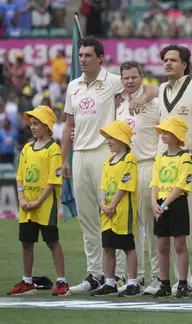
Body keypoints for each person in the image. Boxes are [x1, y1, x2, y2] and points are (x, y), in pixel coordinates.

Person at [63, 36, 157, 294]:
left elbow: (150, 89)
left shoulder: (114, 81)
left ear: (100, 58)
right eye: (80, 55)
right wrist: (63, 158)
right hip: (80, 154)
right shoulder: (73, 86)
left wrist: (143, 98)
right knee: (87, 219)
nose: (82, 59)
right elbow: (69, 125)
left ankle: (124, 277)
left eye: (87, 55)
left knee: (116, 216)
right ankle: (96, 274)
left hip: (107, 154)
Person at [8, 106, 68, 296]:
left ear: (47, 125)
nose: (32, 127)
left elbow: (53, 180)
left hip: (45, 206)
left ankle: (62, 282)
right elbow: (20, 176)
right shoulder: (26, 148)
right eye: (31, 124)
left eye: (37, 124)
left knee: (52, 241)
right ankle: (27, 282)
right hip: (27, 206)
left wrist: (38, 201)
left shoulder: (54, 149)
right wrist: (22, 198)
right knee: (26, 242)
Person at [116, 61, 161, 295]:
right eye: (126, 78)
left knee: (151, 226)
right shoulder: (120, 106)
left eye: (134, 77)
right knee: (131, 227)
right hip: (127, 169)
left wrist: (144, 97)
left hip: (148, 165)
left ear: (141, 77)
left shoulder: (155, 101)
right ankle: (137, 276)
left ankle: (157, 276)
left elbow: (158, 90)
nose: (130, 81)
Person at [91, 120, 139, 297]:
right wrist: (103, 204)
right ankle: (109, 282)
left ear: (122, 139)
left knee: (128, 246)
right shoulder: (108, 161)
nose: (108, 141)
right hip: (108, 213)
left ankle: (133, 282)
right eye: (108, 138)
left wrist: (112, 205)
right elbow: (103, 185)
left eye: (111, 138)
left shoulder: (130, 159)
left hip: (123, 212)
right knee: (108, 247)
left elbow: (125, 184)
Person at [150, 117, 192, 298]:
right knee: (162, 245)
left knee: (180, 244)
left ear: (177, 135)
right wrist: (154, 203)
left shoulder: (184, 157)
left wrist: (165, 203)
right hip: (160, 205)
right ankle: (164, 283)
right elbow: (154, 182)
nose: (163, 135)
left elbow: (182, 183)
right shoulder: (159, 157)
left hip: (176, 203)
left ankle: (182, 283)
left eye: (166, 132)